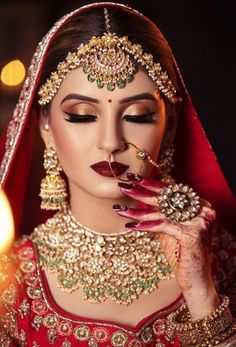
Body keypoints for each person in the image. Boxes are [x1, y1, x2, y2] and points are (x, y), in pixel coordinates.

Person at [0, 2, 235, 346]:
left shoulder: (220, 262)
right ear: (46, 127)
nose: (111, 142)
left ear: (168, 129)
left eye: (138, 115)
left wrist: (202, 296)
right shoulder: (11, 287)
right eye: (81, 115)